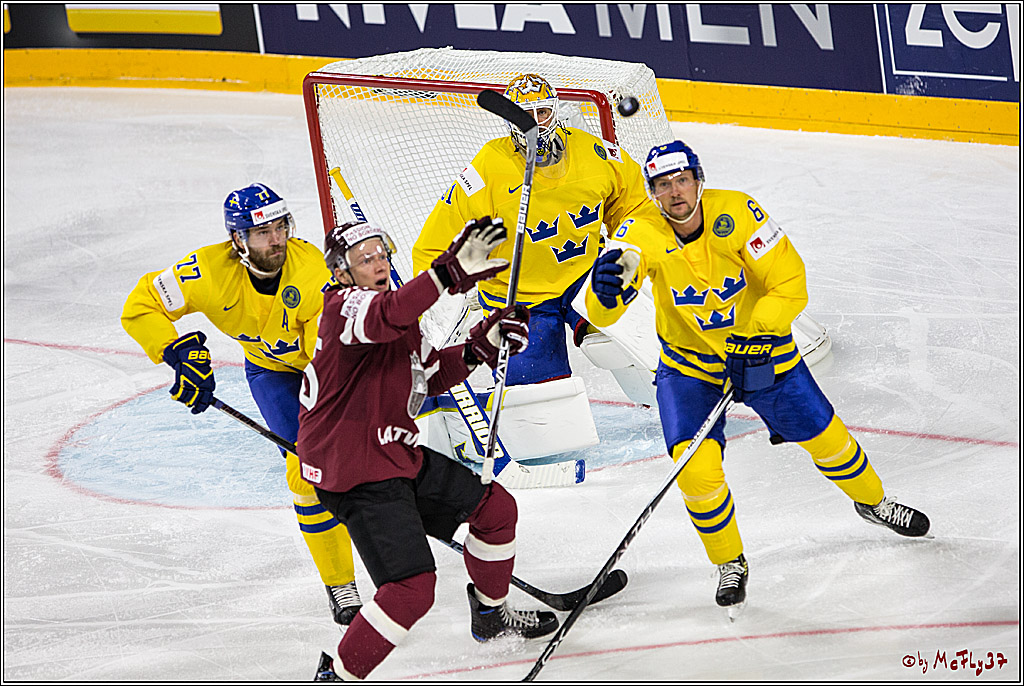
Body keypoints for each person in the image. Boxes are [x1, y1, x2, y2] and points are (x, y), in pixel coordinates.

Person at [583, 141, 930, 616]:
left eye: (682, 180)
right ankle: (729, 562)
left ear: (698, 180)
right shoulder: (637, 231)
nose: (676, 192)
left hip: (764, 354)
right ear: (653, 193)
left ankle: (873, 503)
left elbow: (790, 281)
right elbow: (612, 300)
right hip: (691, 370)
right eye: (663, 185)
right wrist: (606, 291)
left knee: (830, 441)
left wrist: (757, 333)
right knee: (697, 470)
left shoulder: (740, 212)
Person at [297, 218, 556, 680]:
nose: (378, 263)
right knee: (411, 588)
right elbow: (386, 315)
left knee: (496, 510)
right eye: (365, 259)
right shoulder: (345, 307)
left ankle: (491, 615)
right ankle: (335, 676)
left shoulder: (400, 318)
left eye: (381, 254)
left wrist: (482, 347)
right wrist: (447, 273)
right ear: (342, 273)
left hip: (394, 454)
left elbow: (428, 378)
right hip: (355, 471)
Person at [120, 183, 362, 627]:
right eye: (263, 231)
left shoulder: (312, 274)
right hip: (269, 372)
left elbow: (327, 360)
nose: (277, 239)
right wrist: (176, 351)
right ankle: (340, 582)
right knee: (306, 469)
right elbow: (140, 305)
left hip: (324, 367)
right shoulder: (206, 271)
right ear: (238, 240)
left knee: (349, 459)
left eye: (281, 226)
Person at [411, 72, 664, 386]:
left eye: (542, 113)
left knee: (631, 347)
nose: (535, 123)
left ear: (555, 111)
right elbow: (433, 244)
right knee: (538, 393)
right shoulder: (489, 166)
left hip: (584, 280)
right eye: (524, 116)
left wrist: (628, 253)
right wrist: (418, 306)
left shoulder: (595, 153)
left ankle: (666, 395)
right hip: (518, 297)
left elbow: (636, 207)